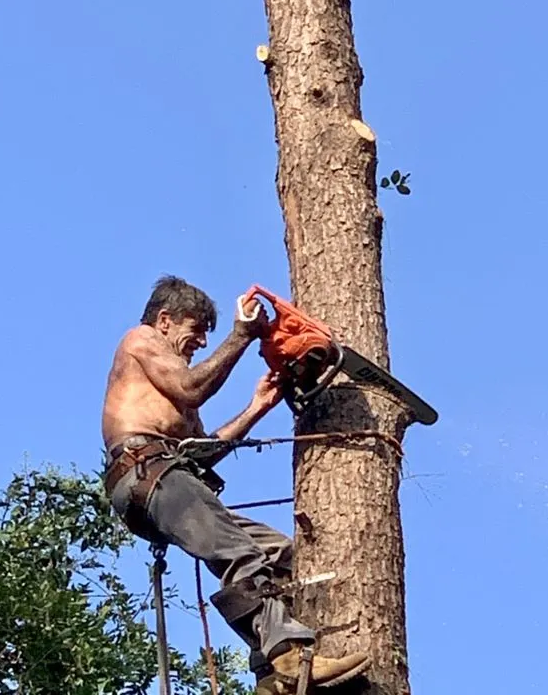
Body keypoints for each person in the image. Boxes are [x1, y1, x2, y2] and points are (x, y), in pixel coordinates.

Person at [101, 275, 370, 692]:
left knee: (280, 556)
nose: (201, 344)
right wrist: (242, 334)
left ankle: (271, 677)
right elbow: (193, 389)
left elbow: (203, 450)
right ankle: (288, 655)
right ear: (166, 320)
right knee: (238, 553)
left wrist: (257, 407)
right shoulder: (142, 339)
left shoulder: (167, 390)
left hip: (165, 476)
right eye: (196, 331)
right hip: (147, 473)